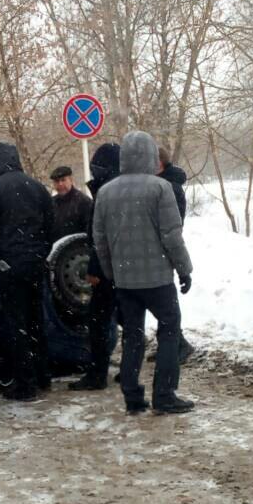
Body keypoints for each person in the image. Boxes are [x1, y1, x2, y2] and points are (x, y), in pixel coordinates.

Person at [93, 131, 195, 416]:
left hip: (125, 281)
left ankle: (132, 396)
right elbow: (171, 236)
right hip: (158, 279)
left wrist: (111, 272)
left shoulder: (106, 192)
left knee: (133, 336)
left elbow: (100, 239)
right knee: (169, 330)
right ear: (151, 155)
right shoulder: (160, 188)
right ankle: (164, 395)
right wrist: (184, 270)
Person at [0, 142, 54, 401]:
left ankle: (25, 384)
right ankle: (43, 376)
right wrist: (39, 254)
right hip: (35, 265)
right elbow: (51, 227)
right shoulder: (38, 188)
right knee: (36, 321)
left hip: (8, 268)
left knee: (16, 326)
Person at [68, 142, 120, 391]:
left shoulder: (106, 192)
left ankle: (97, 374)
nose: (93, 170)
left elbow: (100, 236)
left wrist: (95, 270)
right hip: (123, 268)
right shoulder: (119, 189)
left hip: (107, 271)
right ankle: (127, 370)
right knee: (128, 319)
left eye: (96, 166)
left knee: (99, 321)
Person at [157, 146, 194, 365]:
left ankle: (179, 345)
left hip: (165, 249)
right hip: (162, 248)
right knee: (162, 302)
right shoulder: (165, 184)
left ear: (158, 163)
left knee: (166, 302)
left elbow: (174, 222)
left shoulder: (169, 186)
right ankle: (170, 344)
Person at [49, 165, 92, 242]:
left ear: (71, 180)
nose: (60, 184)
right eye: (57, 181)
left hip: (77, 246)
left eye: (63, 180)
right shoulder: (51, 203)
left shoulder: (83, 202)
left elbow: (89, 230)